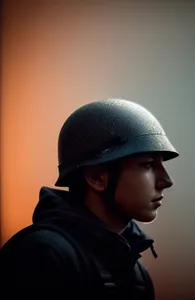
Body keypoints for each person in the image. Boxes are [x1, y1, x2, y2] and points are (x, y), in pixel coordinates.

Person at [0, 98, 179, 297]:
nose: (166, 180)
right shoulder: (39, 255)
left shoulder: (136, 272)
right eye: (148, 165)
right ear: (96, 178)